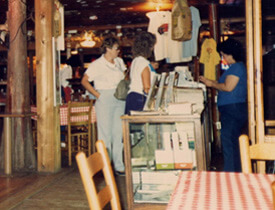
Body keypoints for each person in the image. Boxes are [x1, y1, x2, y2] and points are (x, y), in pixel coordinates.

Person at [199, 38, 248, 172]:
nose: (223, 57)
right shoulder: (237, 67)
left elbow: (228, 87)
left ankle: (231, 174)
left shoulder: (237, 67)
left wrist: (211, 83)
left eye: (224, 54)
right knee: (232, 143)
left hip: (232, 109)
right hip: (233, 108)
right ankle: (235, 172)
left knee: (229, 143)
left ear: (231, 54)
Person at [81, 36, 127, 175]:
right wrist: (98, 95)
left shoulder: (119, 62)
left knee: (118, 133)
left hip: (119, 98)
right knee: (105, 134)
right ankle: (105, 166)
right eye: (115, 48)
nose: (118, 51)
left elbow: (124, 77)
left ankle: (119, 166)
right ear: (108, 49)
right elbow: (84, 81)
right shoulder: (97, 64)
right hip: (104, 97)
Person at [125, 31, 156, 114]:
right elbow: (147, 88)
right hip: (140, 98)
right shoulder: (144, 63)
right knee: (141, 126)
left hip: (132, 97)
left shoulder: (136, 60)